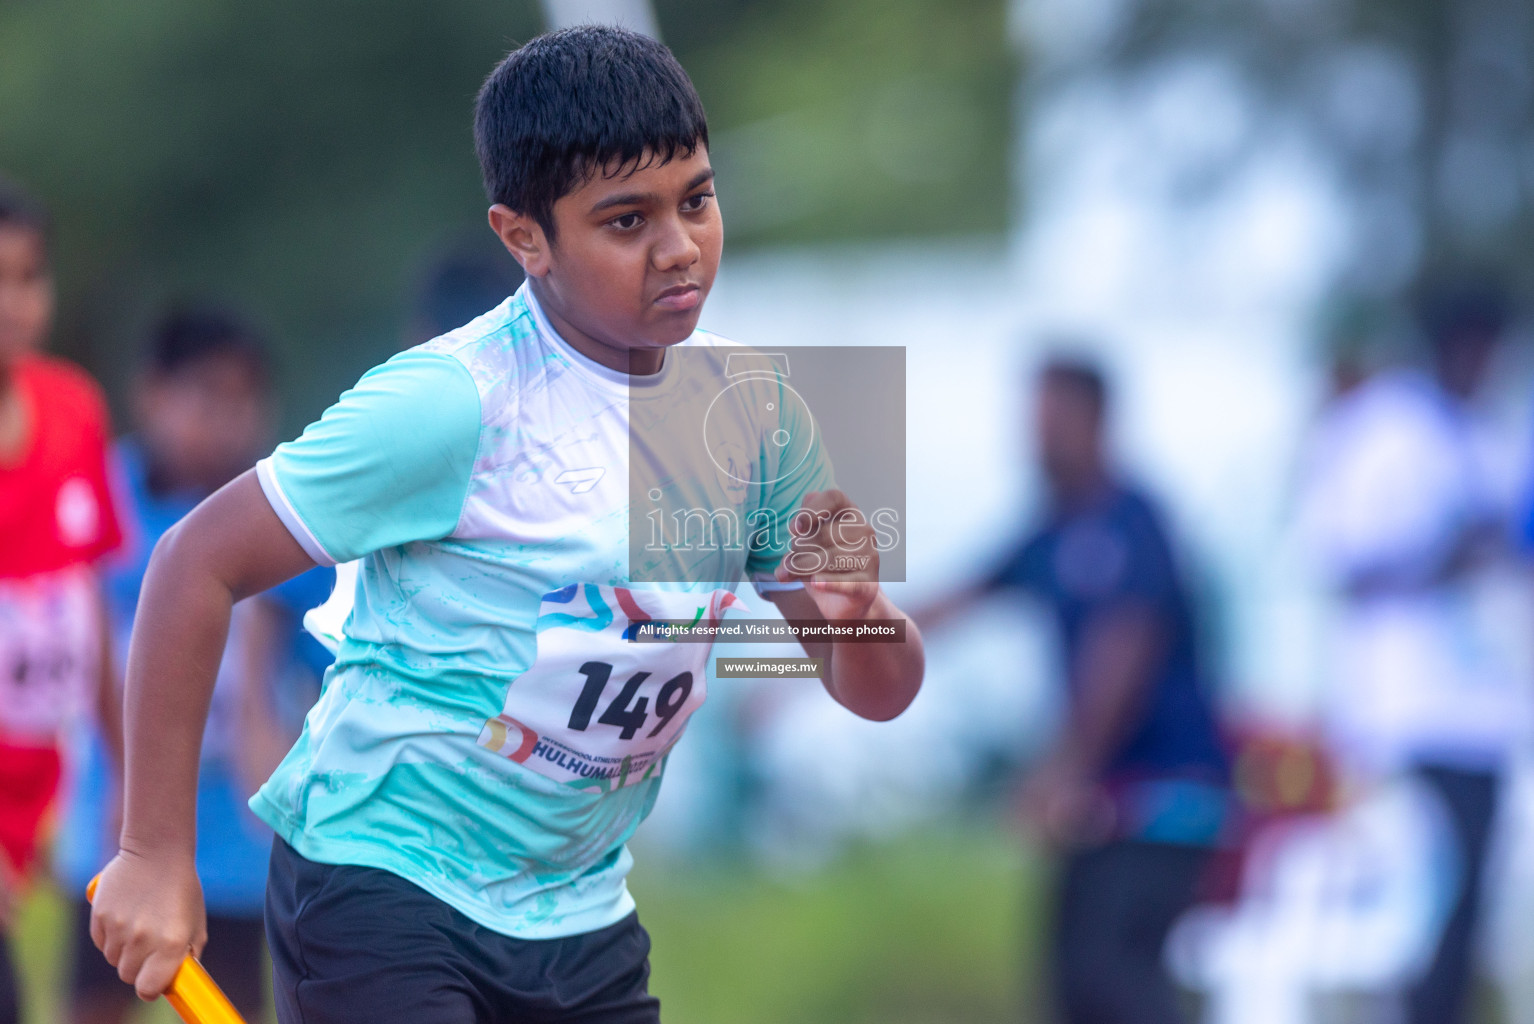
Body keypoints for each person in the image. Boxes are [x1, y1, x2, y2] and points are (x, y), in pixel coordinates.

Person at [90, 26, 925, 1024]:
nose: (678, 248)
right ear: (524, 235)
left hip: (576, 913)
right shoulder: (453, 403)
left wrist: (860, 613)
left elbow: (876, 690)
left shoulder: (755, 414)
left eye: (696, 200)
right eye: (625, 221)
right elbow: (193, 561)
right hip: (384, 881)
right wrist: (153, 853)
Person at [917, 356, 1230, 1024]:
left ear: (1094, 420)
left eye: (1050, 422)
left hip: (1165, 796)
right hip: (1099, 806)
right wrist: (815, 656)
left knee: (1114, 975)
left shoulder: (1135, 523)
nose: (1036, 440)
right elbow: (946, 607)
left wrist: (1064, 769)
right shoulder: (1050, 530)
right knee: (1071, 984)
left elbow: (1125, 655)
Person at [56, 306, 334, 1024]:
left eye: (245, 400)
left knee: (231, 1008)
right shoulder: (101, 501)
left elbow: (329, 662)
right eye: (207, 395)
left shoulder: (282, 520)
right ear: (151, 393)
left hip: (238, 842)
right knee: (91, 1001)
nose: (228, 418)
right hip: (114, 823)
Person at [1298, 282, 1524, 1024]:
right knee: (1403, 916)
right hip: (1401, 714)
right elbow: (1340, 562)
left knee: (1466, 916)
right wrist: (1443, 555)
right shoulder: (1384, 430)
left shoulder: (1495, 434)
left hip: (1483, 712)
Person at [0, 178, 123, 1024]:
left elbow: (96, 612)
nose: (13, 303)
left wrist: (131, 774)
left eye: (28, 277)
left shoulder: (73, 409)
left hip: (50, 795)